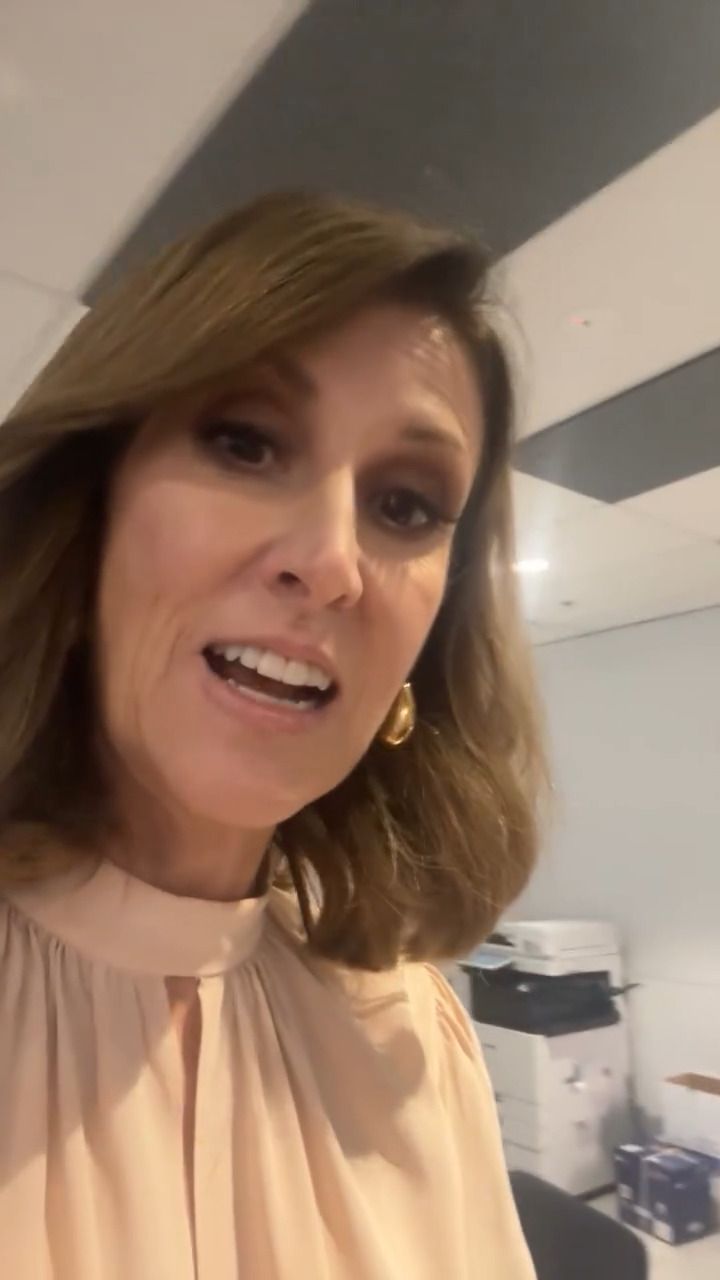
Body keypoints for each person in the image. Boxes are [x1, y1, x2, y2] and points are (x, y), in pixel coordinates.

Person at [0, 191, 546, 1279]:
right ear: (90, 506)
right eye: (245, 442)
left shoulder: (414, 1032)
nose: (333, 562)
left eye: (405, 505)